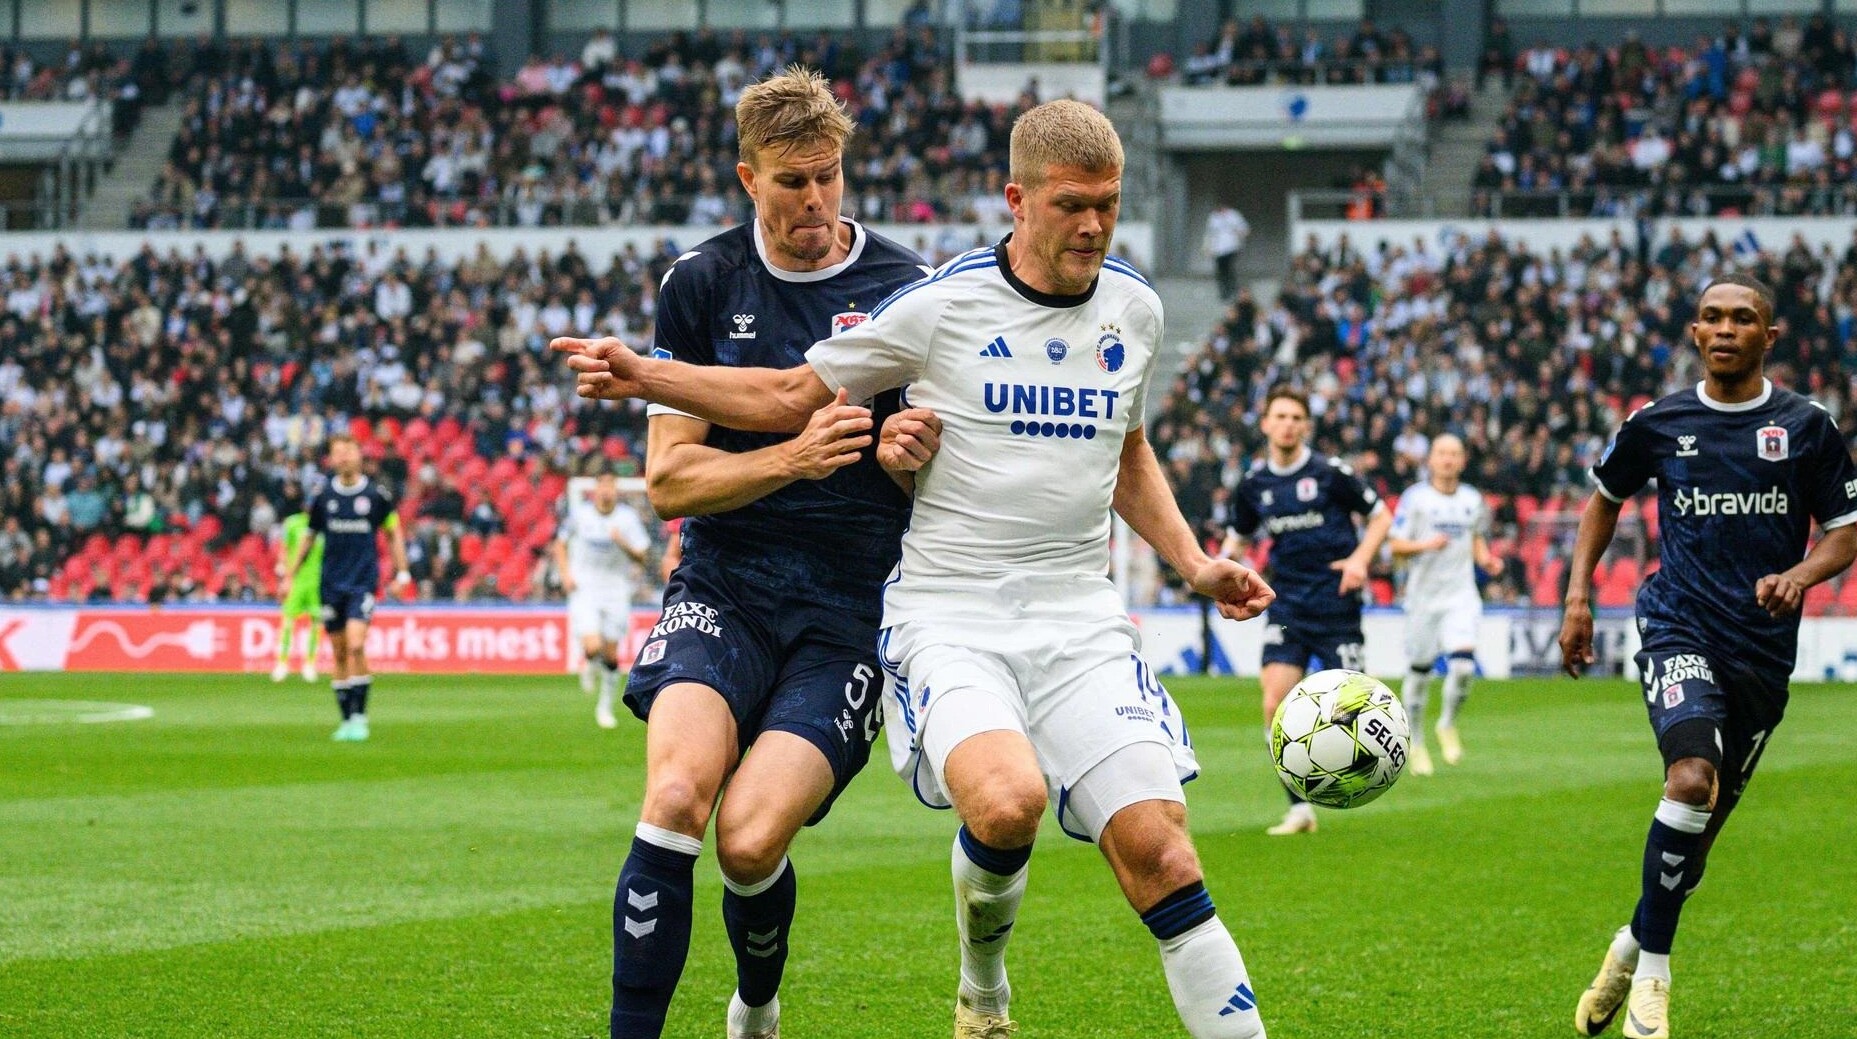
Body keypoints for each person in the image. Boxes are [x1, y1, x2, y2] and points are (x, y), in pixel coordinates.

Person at [557, 98, 1278, 1039]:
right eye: (1072, 204)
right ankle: (934, 982)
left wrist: (1189, 559)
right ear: (1016, 200)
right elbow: (753, 420)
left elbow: (1112, 444)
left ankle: (915, 992)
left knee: (1156, 850)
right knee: (709, 799)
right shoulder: (879, 297)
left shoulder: (1100, 305)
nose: (1094, 224)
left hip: (979, 609)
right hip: (854, 599)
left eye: (1106, 203)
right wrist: (654, 379)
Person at [567, 67, 936, 1039]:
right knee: (678, 793)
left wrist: (907, 459)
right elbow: (672, 483)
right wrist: (792, 461)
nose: (813, 200)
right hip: (723, 585)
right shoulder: (701, 284)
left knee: (749, 838)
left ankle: (756, 1005)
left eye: (827, 178)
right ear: (748, 178)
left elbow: (931, 485)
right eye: (790, 182)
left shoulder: (906, 289)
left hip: (849, 608)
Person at [1560, 275, 1857, 1039]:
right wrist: (1577, 597)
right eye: (1712, 318)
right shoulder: (1659, 422)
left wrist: (1798, 574)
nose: (1725, 329)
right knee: (1688, 780)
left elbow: (1846, 528)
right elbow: (1602, 498)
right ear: (1694, 333)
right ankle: (1653, 983)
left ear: (1770, 336)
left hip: (1760, 654)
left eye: (1742, 318)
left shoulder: (1805, 426)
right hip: (1676, 626)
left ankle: (1629, 944)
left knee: (1694, 842)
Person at [1222, 387, 1391, 835]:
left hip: (1337, 604)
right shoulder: (1254, 485)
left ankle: (1353, 785)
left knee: (1351, 709)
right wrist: (1223, 573)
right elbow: (1236, 541)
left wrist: (1360, 561)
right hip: (1288, 604)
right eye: (1280, 415)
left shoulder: (1331, 474)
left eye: (1297, 417)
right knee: (1274, 700)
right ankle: (1298, 808)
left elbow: (1381, 517)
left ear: (1306, 426)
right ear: (1265, 424)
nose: (1288, 424)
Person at [283, 433, 411, 742]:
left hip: (363, 582)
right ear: (331, 459)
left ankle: (360, 717)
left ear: (358, 455)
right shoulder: (324, 497)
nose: (343, 458)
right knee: (339, 652)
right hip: (331, 584)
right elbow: (309, 537)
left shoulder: (376, 495)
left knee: (356, 644)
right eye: (337, 453)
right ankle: (346, 720)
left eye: (348, 451)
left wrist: (402, 571)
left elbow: (393, 532)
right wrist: (289, 575)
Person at [1387, 433, 1501, 776]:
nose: (1448, 459)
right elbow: (1394, 545)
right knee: (1420, 672)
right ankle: (1416, 740)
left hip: (1460, 595)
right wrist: (1425, 545)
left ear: (1463, 460)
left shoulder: (1471, 499)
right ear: (1431, 460)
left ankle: (1446, 723)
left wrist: (1487, 561)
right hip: (1423, 598)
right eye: (1442, 453)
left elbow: (1476, 540)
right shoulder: (1416, 499)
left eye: (1454, 453)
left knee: (1464, 666)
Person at [552, 471, 651, 728]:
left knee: (610, 653)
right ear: (595, 490)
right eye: (603, 486)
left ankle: (605, 706)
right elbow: (559, 544)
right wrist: (565, 574)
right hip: (585, 587)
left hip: (616, 589)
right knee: (593, 646)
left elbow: (642, 556)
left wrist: (623, 542)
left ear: (616, 491)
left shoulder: (627, 519)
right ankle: (589, 662)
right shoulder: (580, 514)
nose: (607, 491)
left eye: (611, 486)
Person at [271, 502, 323, 683]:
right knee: (288, 620)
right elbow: (284, 549)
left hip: (318, 581)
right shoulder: (292, 523)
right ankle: (282, 663)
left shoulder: (325, 524)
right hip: (296, 580)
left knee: (317, 622)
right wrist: (284, 572)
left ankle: (309, 664)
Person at [1203, 203, 1249, 302]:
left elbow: (1244, 229)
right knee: (1221, 271)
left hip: (1231, 247)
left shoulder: (1233, 215)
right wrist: (1207, 247)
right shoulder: (1214, 217)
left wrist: (1239, 236)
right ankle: (1224, 292)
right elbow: (1209, 234)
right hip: (1218, 249)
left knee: (1229, 269)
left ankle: (1232, 290)